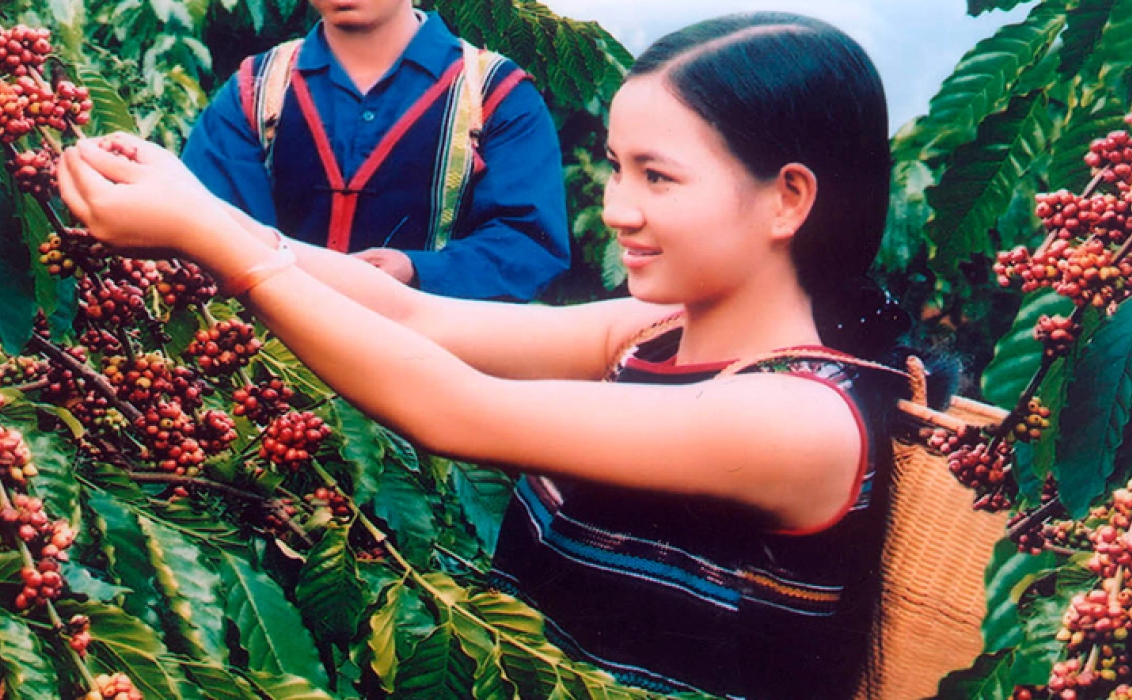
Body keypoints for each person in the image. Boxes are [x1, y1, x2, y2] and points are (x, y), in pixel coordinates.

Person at [58, 12, 915, 699]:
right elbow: (414, 315)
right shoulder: (651, 333)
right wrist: (198, 214)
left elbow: (455, 409)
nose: (616, 209)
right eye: (615, 169)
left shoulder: (796, 417)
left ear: (787, 199)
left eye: (658, 177)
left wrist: (211, 239)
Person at [180, 0, 571, 301]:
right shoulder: (257, 88)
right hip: (272, 371)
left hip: (434, 369)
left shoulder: (493, 94)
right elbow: (204, 222)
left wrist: (417, 269)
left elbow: (529, 242)